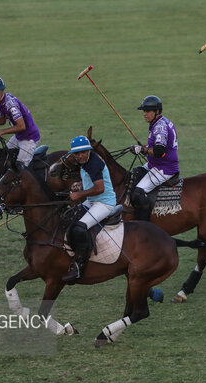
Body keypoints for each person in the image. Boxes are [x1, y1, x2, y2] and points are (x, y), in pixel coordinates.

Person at [63, 136, 117, 284]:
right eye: (77, 153)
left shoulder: (94, 163)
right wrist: (80, 185)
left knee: (80, 228)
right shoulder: (85, 161)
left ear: (89, 151)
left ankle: (80, 265)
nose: (80, 156)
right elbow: (92, 180)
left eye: (83, 152)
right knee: (67, 217)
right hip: (92, 201)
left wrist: (78, 194)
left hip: (104, 203)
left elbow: (100, 187)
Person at [129, 95, 179, 220]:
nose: (144, 114)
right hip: (155, 164)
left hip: (164, 168)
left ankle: (144, 225)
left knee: (137, 194)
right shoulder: (159, 122)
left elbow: (159, 151)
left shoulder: (160, 127)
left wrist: (142, 149)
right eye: (143, 111)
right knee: (135, 173)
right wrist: (143, 148)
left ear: (156, 111)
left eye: (147, 111)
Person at [0, 76, 40, 170]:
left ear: (2, 90)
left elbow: (21, 126)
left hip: (29, 137)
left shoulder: (10, 105)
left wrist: (0, 132)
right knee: (3, 158)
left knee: (20, 168)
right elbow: (2, 120)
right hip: (18, 136)